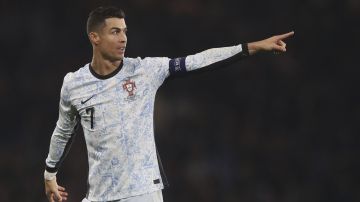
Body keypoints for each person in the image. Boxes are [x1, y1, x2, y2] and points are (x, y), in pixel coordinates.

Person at [44, 6, 294, 202]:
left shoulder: (144, 71)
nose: (123, 39)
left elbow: (196, 61)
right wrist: (49, 172)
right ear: (94, 37)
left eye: (125, 31)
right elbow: (64, 130)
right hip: (98, 195)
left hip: (141, 193)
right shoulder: (74, 84)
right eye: (115, 32)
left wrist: (250, 47)